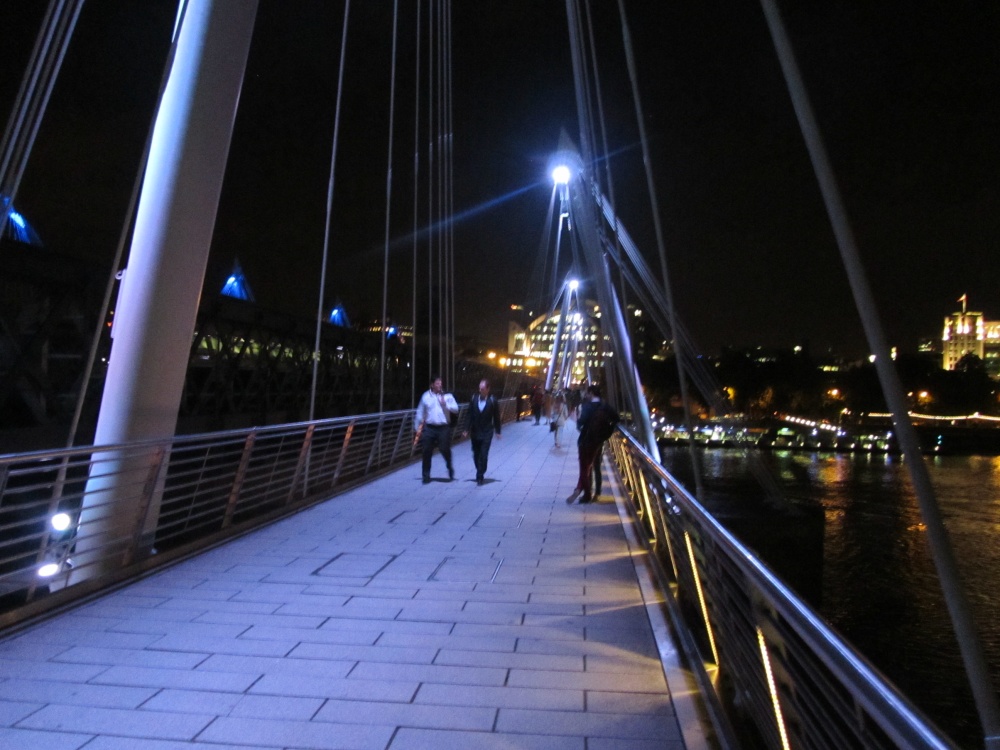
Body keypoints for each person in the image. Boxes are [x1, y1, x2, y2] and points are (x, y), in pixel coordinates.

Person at [566, 385, 619, 504]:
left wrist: (576, 419)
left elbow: (582, 422)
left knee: (584, 468)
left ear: (591, 393)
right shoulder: (605, 406)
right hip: (598, 441)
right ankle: (595, 492)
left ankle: (586, 494)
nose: (586, 395)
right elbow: (616, 418)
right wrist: (606, 433)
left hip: (586, 440)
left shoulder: (587, 406)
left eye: (587, 393)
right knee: (594, 466)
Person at [414, 375, 459, 483]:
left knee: (444, 449)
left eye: (440, 383)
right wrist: (417, 429)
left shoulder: (447, 396)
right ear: (432, 385)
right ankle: (426, 475)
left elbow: (456, 409)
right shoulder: (425, 396)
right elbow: (420, 412)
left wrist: (446, 404)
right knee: (426, 451)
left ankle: (449, 466)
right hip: (429, 428)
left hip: (443, 427)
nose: (440, 385)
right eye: (437, 383)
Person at [464, 378, 502, 485]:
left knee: (483, 454)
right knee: (476, 454)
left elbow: (496, 417)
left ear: (488, 389)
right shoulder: (473, 399)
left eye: (483, 389)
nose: (480, 390)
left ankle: (480, 475)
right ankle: (480, 469)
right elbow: (469, 415)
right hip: (475, 432)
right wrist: (466, 429)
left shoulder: (492, 401)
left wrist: (498, 431)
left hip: (487, 432)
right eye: (479, 388)